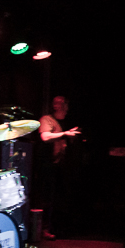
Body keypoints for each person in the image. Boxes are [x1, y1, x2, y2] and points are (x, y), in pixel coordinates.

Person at [36, 95, 81, 239]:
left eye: (64, 103)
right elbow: (45, 137)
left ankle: (51, 227)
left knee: (57, 198)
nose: (65, 107)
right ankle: (41, 229)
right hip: (46, 165)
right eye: (61, 103)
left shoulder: (62, 122)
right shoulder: (47, 120)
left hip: (58, 166)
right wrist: (65, 134)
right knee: (45, 197)